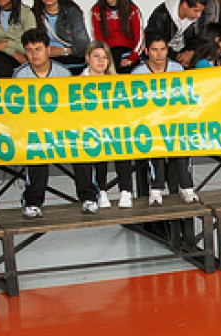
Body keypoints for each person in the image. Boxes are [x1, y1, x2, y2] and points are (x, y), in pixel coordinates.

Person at [15, 28, 91, 218]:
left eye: (38, 49)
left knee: (80, 148)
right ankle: (33, 201)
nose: (34, 54)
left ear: (48, 50)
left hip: (61, 129)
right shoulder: (19, 76)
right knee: (36, 152)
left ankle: (88, 198)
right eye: (29, 50)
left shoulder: (62, 73)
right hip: (34, 131)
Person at [131, 31, 200, 206]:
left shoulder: (177, 69)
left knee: (181, 140)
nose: (159, 54)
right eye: (155, 50)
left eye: (163, 49)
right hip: (150, 124)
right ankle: (156, 188)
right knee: (156, 142)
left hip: (175, 120)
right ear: (147, 51)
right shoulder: (138, 73)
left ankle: (187, 187)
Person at [73, 41, 136, 209]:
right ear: (87, 58)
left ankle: (126, 190)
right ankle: (100, 190)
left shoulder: (116, 82)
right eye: (96, 56)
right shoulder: (77, 82)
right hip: (90, 130)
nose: (101, 61)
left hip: (113, 128)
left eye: (105, 57)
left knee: (122, 142)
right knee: (97, 145)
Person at [32, 0, 91, 74]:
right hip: (45, 59)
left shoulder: (72, 12)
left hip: (70, 58)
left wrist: (63, 51)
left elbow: (83, 44)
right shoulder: (33, 13)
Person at [145, 0, 206, 68]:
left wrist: (191, 52)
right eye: (196, 11)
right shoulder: (161, 15)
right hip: (164, 60)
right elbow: (154, 42)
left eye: (201, 11)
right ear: (184, 4)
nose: (199, 15)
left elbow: (202, 38)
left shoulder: (198, 18)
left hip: (188, 58)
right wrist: (177, 56)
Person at [0, 0, 37, 76]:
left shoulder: (25, 12)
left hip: (22, 54)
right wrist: (12, 52)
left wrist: (7, 43)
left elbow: (31, 43)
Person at [91, 0, 144, 72]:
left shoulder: (132, 10)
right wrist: (104, 57)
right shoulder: (96, 10)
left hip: (129, 51)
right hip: (109, 52)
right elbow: (98, 36)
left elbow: (140, 37)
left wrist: (132, 58)